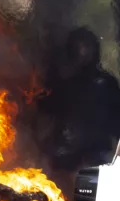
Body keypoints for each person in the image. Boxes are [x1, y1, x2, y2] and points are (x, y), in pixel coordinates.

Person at [38, 27, 120, 175]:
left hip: (96, 152)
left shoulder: (107, 83)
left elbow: (116, 117)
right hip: (65, 152)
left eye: (87, 46)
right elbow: (49, 109)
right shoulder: (64, 82)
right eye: (79, 46)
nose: (83, 51)